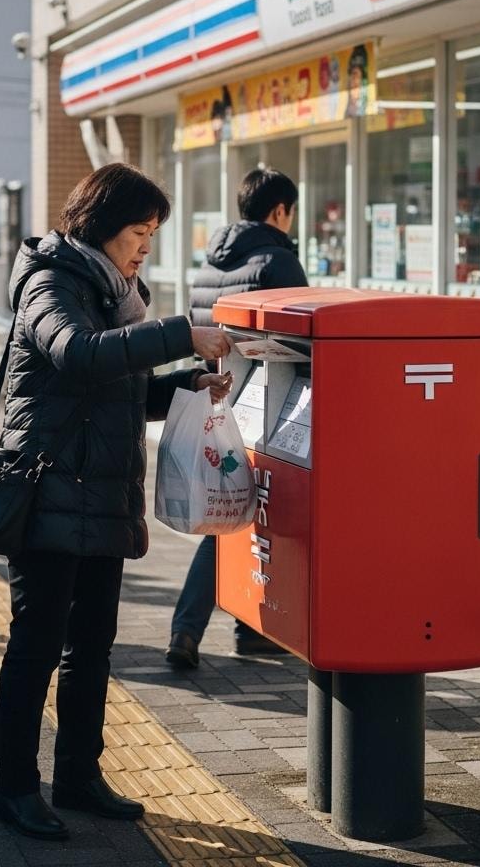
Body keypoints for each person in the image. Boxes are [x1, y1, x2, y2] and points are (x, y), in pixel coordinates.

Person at [0, 163, 232, 842]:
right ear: (101, 226)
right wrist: (181, 333)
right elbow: (80, 355)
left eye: (153, 232)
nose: (145, 245)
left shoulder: (120, 292)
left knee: (92, 646)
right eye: (138, 230)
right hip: (43, 493)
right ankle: (14, 789)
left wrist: (188, 385)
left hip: (99, 495)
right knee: (35, 649)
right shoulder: (51, 281)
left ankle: (78, 774)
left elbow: (119, 388)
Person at [167, 167, 308, 670]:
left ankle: (239, 630)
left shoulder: (209, 267)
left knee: (234, 509)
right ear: (280, 212)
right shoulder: (279, 261)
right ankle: (193, 629)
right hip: (271, 409)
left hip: (220, 398)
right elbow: (301, 343)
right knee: (242, 516)